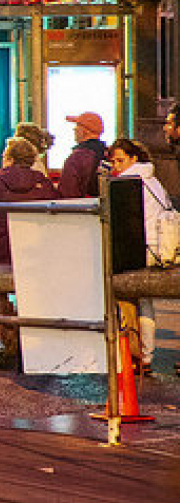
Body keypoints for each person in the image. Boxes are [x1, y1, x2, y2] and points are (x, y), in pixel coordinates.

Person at [0, 137, 58, 368]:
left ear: (8, 158)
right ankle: (28, 342)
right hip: (34, 253)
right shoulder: (44, 184)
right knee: (29, 293)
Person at [106, 138, 171, 377]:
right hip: (159, 250)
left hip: (138, 250)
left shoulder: (126, 183)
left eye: (121, 160)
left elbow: (123, 224)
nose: (117, 165)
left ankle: (134, 354)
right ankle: (146, 356)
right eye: (114, 161)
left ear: (134, 159)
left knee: (129, 301)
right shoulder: (154, 180)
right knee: (146, 302)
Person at [59, 112, 107, 198]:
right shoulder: (108, 154)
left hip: (81, 208)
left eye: (78, 125)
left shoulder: (77, 157)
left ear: (85, 131)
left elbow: (68, 192)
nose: (74, 129)